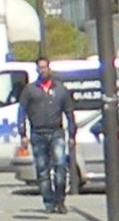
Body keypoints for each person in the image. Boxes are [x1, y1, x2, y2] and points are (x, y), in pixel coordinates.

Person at [24, 67, 78, 212]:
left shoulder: (61, 90)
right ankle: (48, 202)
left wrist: (72, 134)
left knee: (60, 165)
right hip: (38, 133)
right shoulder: (30, 90)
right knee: (42, 169)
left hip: (56, 132)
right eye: (40, 68)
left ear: (49, 69)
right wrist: (22, 133)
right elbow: (21, 112)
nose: (43, 70)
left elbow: (69, 113)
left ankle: (60, 200)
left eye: (45, 67)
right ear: (37, 70)